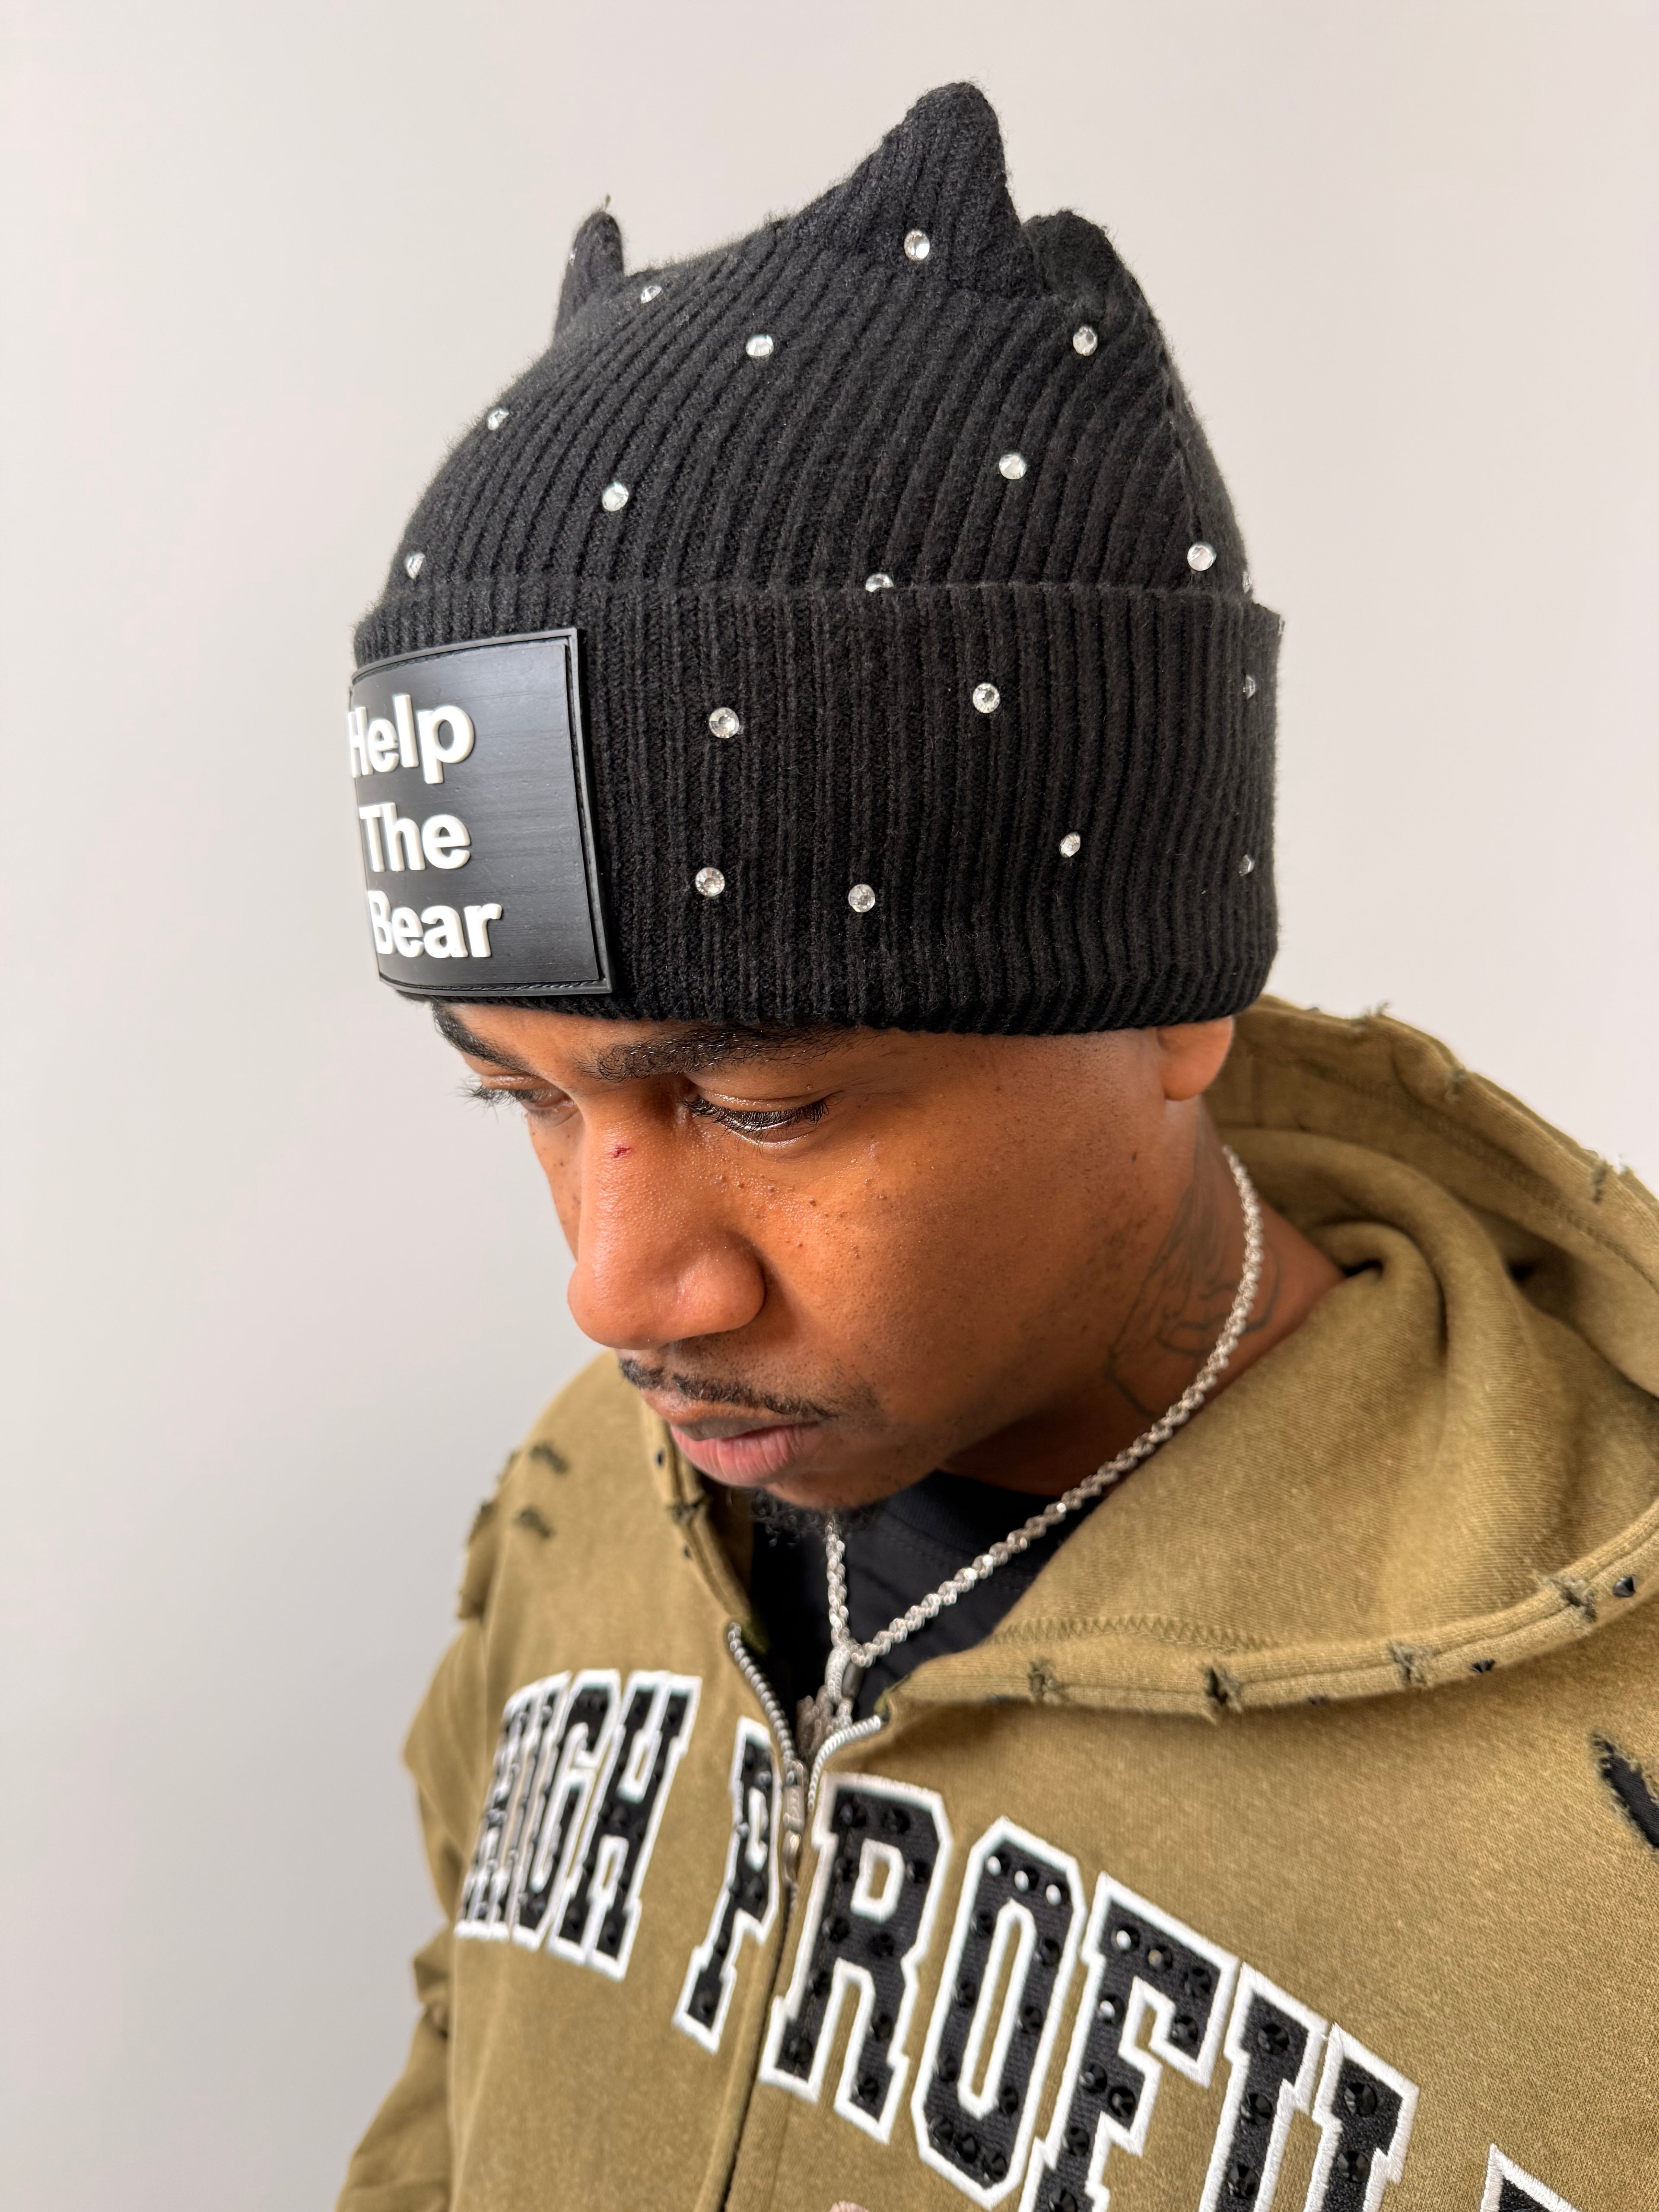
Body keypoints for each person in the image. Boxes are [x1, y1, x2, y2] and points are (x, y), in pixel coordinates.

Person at [334, 84, 1657, 2212]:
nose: (615, 1285)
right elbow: (455, 2086)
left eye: (761, 1101)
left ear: (1171, 997)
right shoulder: (586, 1502)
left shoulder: (1616, 1810)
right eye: (530, 1100)